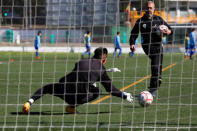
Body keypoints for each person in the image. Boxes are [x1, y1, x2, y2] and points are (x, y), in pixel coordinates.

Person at [22, 47, 133, 114]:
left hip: (64, 89)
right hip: (76, 97)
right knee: (97, 91)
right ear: (104, 59)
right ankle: (72, 107)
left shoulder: (82, 61)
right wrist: (124, 95)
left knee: (46, 88)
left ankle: (28, 103)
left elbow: (80, 73)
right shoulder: (101, 70)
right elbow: (111, 90)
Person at [129, 1, 173, 96]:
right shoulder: (141, 21)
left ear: (154, 9)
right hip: (148, 46)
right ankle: (152, 89)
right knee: (156, 65)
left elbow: (170, 29)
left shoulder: (158, 19)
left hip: (158, 45)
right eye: (148, 8)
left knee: (158, 64)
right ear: (145, 9)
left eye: (151, 8)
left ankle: (158, 79)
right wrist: (132, 44)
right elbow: (133, 34)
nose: (149, 9)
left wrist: (168, 31)